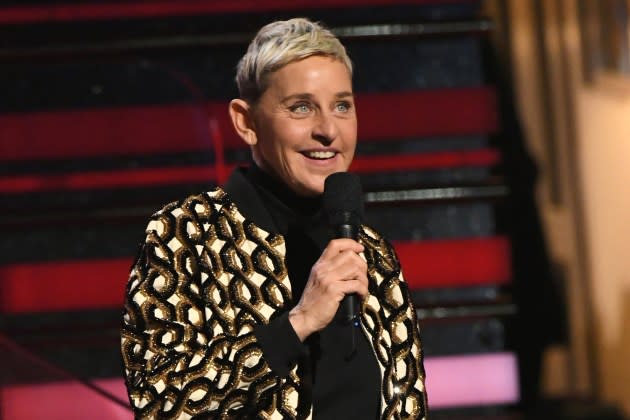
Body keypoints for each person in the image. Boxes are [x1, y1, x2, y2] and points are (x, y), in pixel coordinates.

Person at [120, 18, 428, 419]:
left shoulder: (371, 250)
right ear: (245, 122)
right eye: (301, 107)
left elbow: (407, 404)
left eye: (342, 105)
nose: (328, 130)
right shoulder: (186, 234)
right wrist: (297, 323)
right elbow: (157, 400)